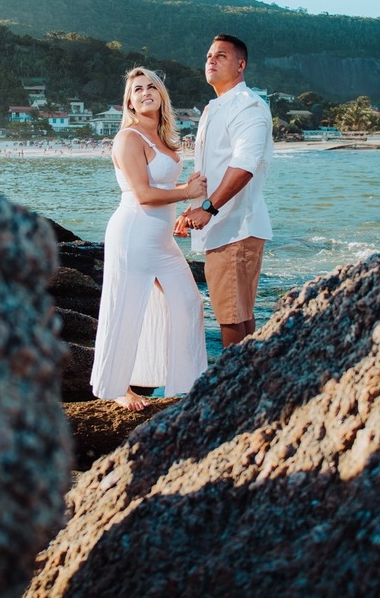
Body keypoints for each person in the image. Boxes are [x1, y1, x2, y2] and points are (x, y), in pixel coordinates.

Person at [90, 67, 209, 411]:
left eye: (151, 87)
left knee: (188, 304)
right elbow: (142, 194)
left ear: (161, 95)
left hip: (161, 241)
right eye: (137, 89)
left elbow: (162, 188)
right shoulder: (128, 139)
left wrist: (187, 197)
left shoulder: (162, 138)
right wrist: (186, 191)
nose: (145, 92)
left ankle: (187, 385)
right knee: (127, 308)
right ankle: (118, 388)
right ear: (129, 100)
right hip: (133, 234)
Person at [176, 34, 273, 347]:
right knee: (238, 315)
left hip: (237, 228)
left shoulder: (248, 108)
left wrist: (208, 208)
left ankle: (233, 391)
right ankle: (248, 386)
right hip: (224, 226)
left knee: (231, 317)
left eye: (221, 56)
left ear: (241, 65)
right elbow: (210, 171)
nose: (211, 61)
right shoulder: (212, 109)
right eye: (208, 56)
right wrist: (191, 210)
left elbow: (244, 165)